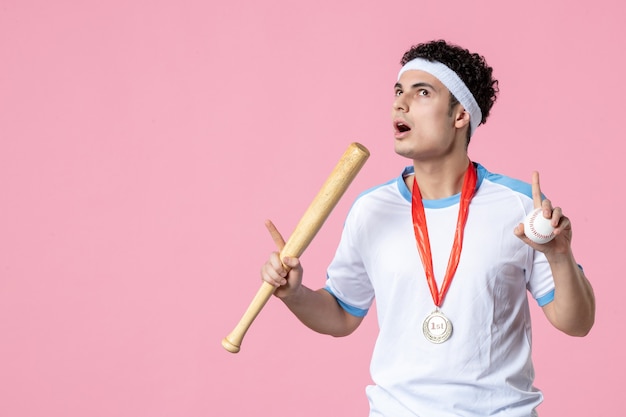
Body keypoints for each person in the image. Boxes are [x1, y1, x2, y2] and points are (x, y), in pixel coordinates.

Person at [260, 40, 595, 417]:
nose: (399, 104)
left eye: (422, 92)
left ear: (460, 116)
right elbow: (341, 315)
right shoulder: (370, 209)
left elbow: (577, 323)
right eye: (398, 91)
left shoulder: (519, 206)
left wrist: (560, 254)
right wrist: (294, 293)